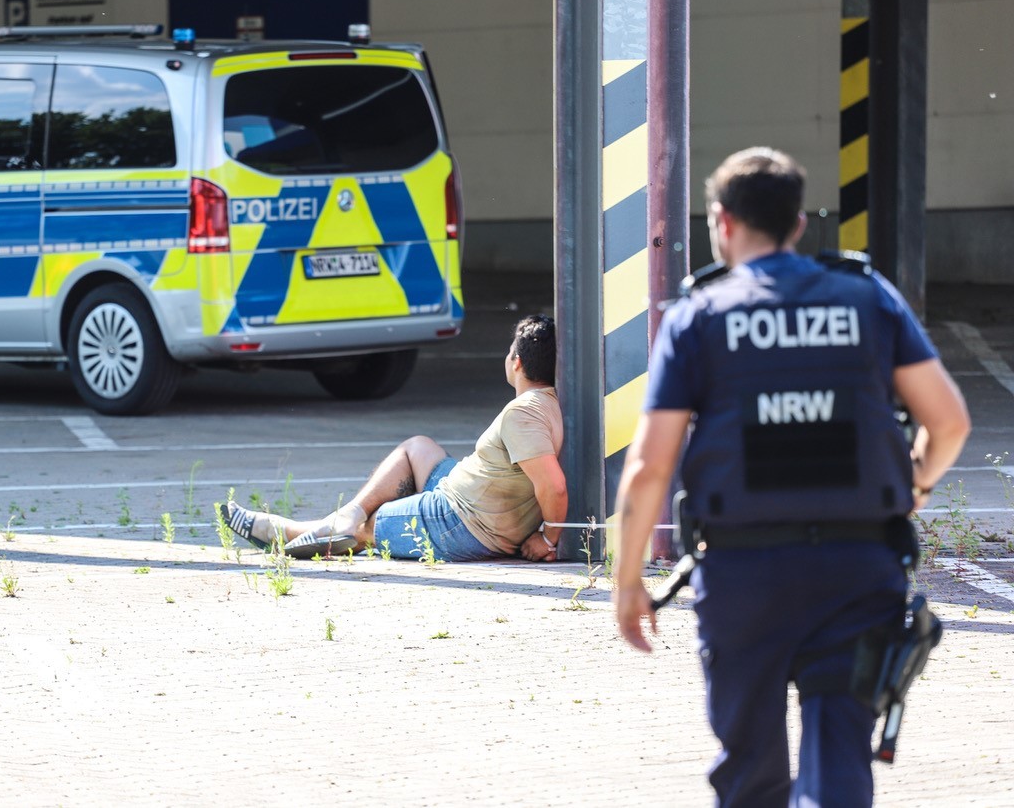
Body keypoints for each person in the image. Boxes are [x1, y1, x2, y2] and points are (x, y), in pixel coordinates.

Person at [612, 147, 970, 806]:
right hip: (859, 568)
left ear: (721, 222)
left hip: (744, 579)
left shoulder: (700, 317)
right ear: (798, 223)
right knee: (840, 768)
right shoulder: (867, 297)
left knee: (749, 770)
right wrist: (914, 485)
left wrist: (628, 579)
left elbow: (649, 466)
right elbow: (948, 421)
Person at [219, 314, 568, 562]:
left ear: (517, 362)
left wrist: (547, 538)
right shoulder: (549, 401)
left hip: (459, 522)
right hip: (463, 495)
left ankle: (281, 531)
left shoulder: (523, 414)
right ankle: (349, 512)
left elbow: (553, 486)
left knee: (367, 530)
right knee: (419, 447)